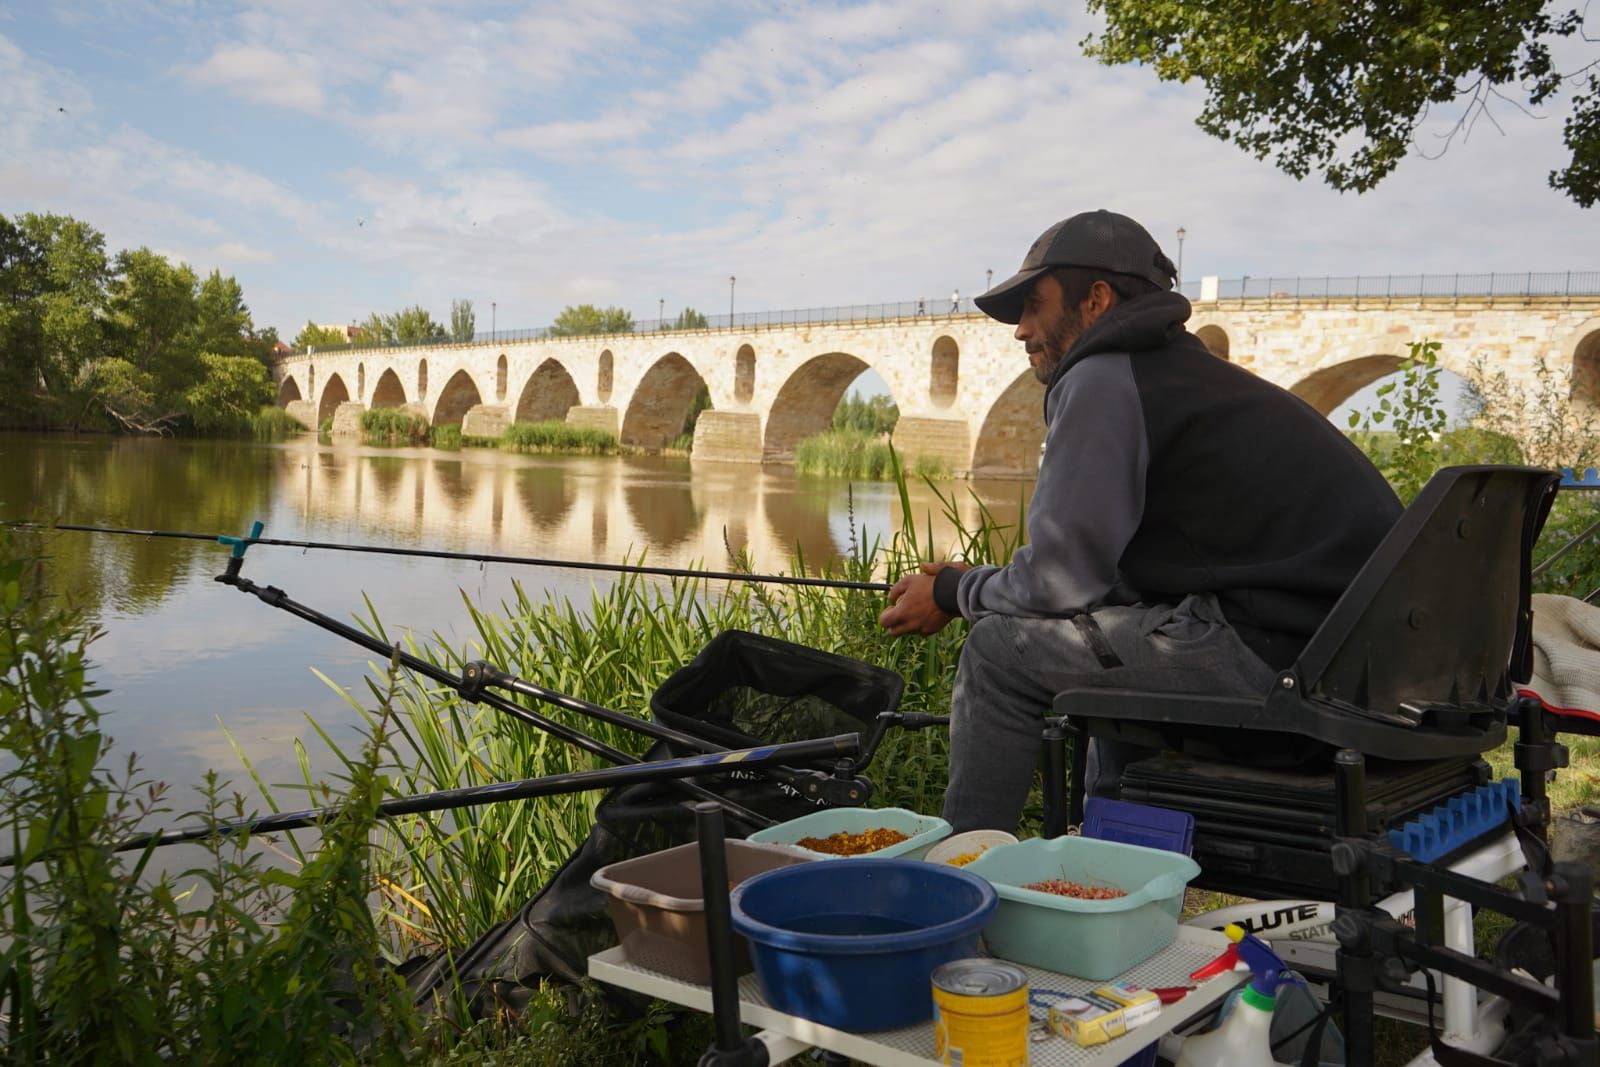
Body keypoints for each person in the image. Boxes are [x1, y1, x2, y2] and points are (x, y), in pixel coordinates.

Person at [878, 210, 1401, 833]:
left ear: (1096, 300)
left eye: (1033, 306)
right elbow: (1099, 587)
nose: (1020, 330)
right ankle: (1115, 868)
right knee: (1110, 636)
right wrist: (977, 584)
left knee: (997, 652)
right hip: (1358, 669)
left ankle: (959, 883)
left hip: (1287, 667)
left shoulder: (1103, 375)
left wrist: (951, 591)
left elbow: (1056, 583)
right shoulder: (1188, 376)